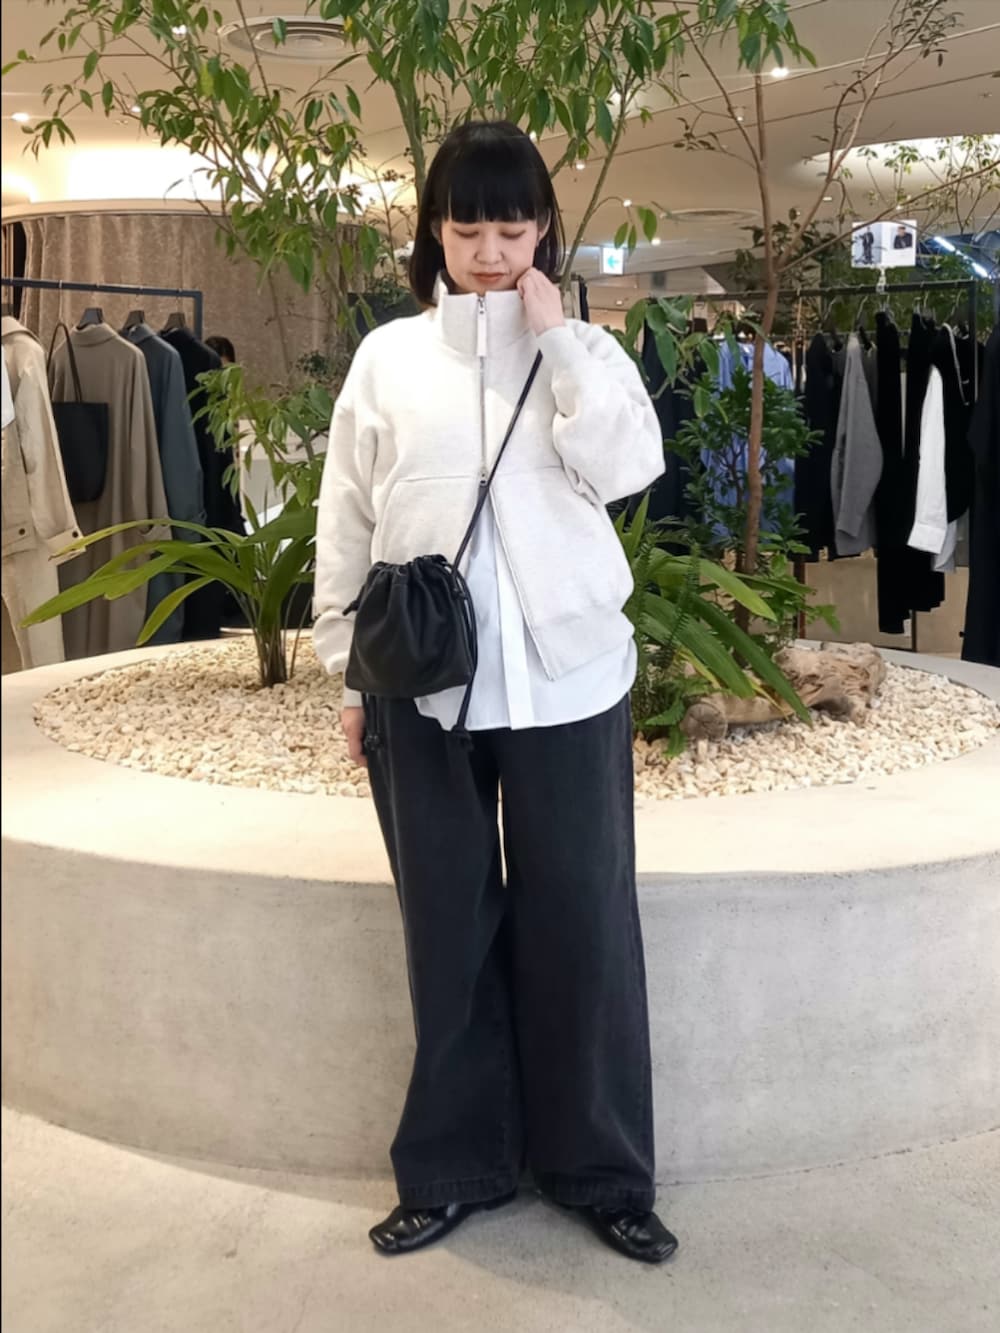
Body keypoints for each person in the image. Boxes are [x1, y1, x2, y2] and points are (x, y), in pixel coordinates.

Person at [313, 120, 677, 1264]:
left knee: (584, 921)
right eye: (467, 227)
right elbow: (346, 517)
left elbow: (629, 468)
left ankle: (600, 1169)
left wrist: (559, 341)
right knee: (448, 928)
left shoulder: (586, 351)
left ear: (543, 231)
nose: (487, 251)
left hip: (571, 678)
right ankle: (454, 1166)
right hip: (423, 687)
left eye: (510, 229)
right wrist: (345, 669)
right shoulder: (388, 359)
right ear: (433, 230)